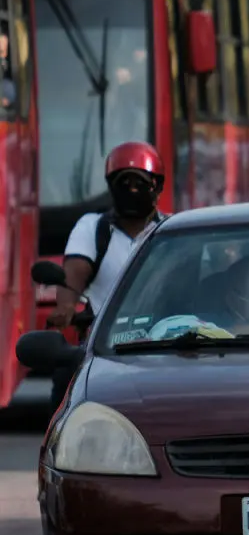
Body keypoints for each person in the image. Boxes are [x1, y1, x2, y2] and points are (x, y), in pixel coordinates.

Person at [47, 141, 167, 410]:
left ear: (157, 187)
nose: (132, 190)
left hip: (163, 343)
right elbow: (74, 273)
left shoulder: (169, 233)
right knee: (67, 385)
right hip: (104, 345)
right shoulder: (92, 227)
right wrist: (65, 308)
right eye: (123, 183)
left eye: (140, 183)